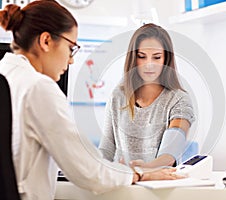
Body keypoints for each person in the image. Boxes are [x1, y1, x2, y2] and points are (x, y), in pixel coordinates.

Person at [0, 1, 182, 200]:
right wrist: (140, 174)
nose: (71, 60)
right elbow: (89, 171)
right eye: (71, 48)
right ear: (46, 41)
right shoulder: (38, 87)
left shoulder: (6, 74)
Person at [99, 23, 195, 168]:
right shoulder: (118, 96)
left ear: (166, 59)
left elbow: (169, 155)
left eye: (156, 57)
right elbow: (106, 149)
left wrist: (143, 169)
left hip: (158, 184)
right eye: (142, 57)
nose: (149, 64)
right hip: (122, 183)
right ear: (133, 58)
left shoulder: (180, 100)